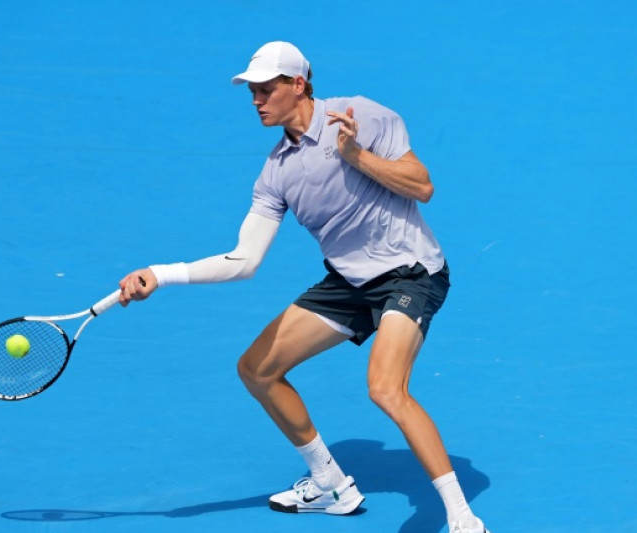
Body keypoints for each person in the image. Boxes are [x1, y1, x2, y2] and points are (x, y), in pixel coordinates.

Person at [117, 41, 489, 533]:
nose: (256, 100)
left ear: (298, 85)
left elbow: (422, 185)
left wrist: (356, 156)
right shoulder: (276, 173)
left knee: (385, 388)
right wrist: (161, 274)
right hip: (351, 280)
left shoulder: (361, 115)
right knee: (256, 369)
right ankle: (331, 484)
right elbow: (243, 261)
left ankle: (462, 518)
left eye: (266, 89)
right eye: (252, 91)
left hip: (410, 272)